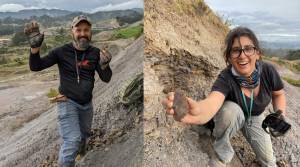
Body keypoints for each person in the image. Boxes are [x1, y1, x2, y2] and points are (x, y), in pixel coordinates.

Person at [162, 27, 286, 167]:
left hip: (255, 117)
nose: (242, 55)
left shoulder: (268, 71)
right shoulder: (226, 78)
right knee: (230, 111)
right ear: (229, 58)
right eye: (236, 50)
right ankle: (221, 153)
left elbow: (279, 94)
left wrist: (279, 113)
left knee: (269, 162)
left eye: (248, 48)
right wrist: (198, 111)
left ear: (257, 53)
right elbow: (212, 102)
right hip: (230, 116)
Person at [24, 15, 112, 167]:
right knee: (72, 140)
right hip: (67, 103)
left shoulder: (95, 53)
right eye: (79, 30)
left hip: (87, 105)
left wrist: (105, 66)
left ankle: (81, 156)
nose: (83, 33)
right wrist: (35, 48)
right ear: (72, 31)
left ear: (90, 32)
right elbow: (36, 66)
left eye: (86, 30)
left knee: (83, 136)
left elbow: (106, 78)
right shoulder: (61, 52)